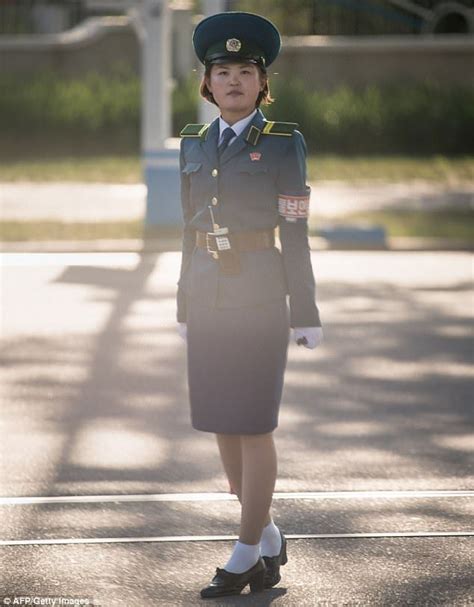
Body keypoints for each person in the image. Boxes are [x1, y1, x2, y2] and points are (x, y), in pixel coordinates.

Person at [176, 11, 323, 599]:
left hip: (263, 298)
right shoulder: (195, 143)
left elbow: (298, 232)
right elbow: (188, 233)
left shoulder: (285, 142)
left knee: (254, 425)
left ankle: (244, 556)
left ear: (263, 83)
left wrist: (305, 309)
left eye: (245, 70)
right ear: (206, 84)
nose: (233, 80)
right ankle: (265, 537)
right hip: (208, 298)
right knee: (220, 422)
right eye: (222, 71)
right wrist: (184, 303)